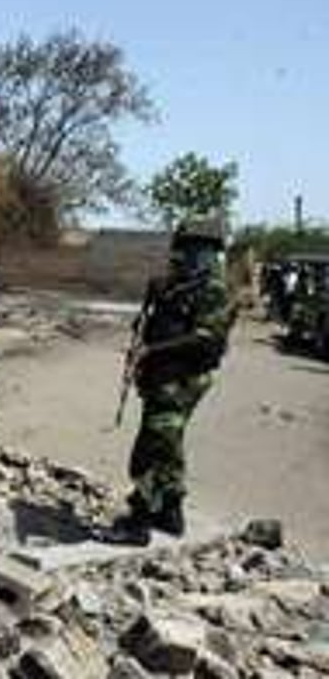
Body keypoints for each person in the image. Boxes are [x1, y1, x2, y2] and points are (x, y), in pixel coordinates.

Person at [108, 213, 237, 545]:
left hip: (183, 378)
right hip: (162, 375)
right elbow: (151, 323)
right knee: (169, 443)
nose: (189, 256)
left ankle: (140, 520)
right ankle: (170, 512)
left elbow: (206, 337)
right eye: (186, 249)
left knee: (151, 446)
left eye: (198, 250)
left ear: (211, 252)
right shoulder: (175, 285)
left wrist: (152, 350)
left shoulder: (215, 291)